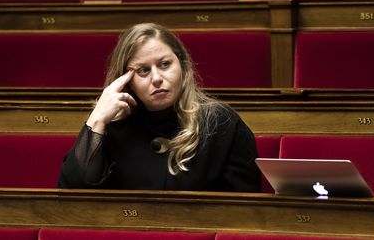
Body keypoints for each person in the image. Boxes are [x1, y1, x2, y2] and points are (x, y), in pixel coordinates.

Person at [58, 23, 261, 192]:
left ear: (182, 66)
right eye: (143, 70)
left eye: (164, 64)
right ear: (125, 80)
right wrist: (97, 119)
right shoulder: (112, 126)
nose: (156, 79)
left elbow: (246, 210)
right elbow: (71, 195)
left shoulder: (221, 123)